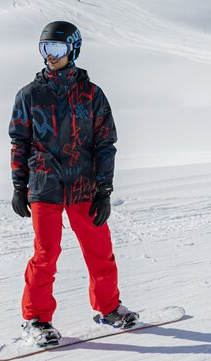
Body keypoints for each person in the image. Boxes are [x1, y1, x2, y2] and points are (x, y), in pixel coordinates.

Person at [10, 21, 138, 349]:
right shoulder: (29, 95)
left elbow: (105, 143)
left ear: (73, 49)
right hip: (44, 186)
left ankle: (109, 308)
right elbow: (19, 142)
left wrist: (104, 190)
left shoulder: (92, 95)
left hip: (84, 186)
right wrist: (19, 185)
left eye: (57, 48)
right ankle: (36, 319)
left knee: (100, 251)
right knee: (46, 254)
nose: (50, 56)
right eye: (45, 48)